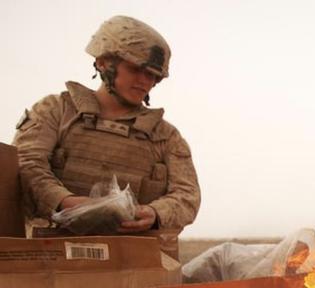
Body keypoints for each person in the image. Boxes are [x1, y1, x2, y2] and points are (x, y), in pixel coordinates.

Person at [13, 15, 200, 235]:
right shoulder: (55, 111)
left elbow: (187, 196)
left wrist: (154, 212)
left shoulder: (165, 136)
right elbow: (24, 164)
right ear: (103, 62)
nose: (144, 81)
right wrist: (65, 201)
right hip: (50, 252)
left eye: (152, 75)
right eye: (135, 69)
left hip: (132, 257)